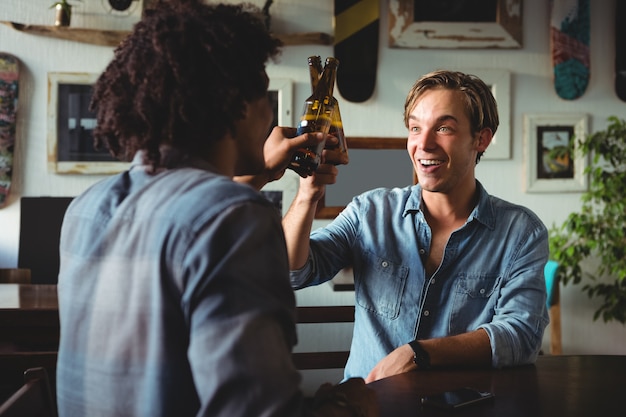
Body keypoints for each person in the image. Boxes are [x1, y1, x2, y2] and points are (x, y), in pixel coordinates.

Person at [55, 1, 377, 416]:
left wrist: (263, 173)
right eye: (265, 96)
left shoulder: (86, 207)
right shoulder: (234, 217)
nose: (271, 115)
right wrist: (350, 410)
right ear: (237, 104)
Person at [283, 69, 550, 383]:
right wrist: (307, 195)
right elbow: (292, 272)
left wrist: (419, 353)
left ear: (481, 138)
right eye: (415, 128)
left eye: (444, 128)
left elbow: (521, 336)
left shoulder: (521, 233)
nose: (424, 144)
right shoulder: (369, 212)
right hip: (367, 407)